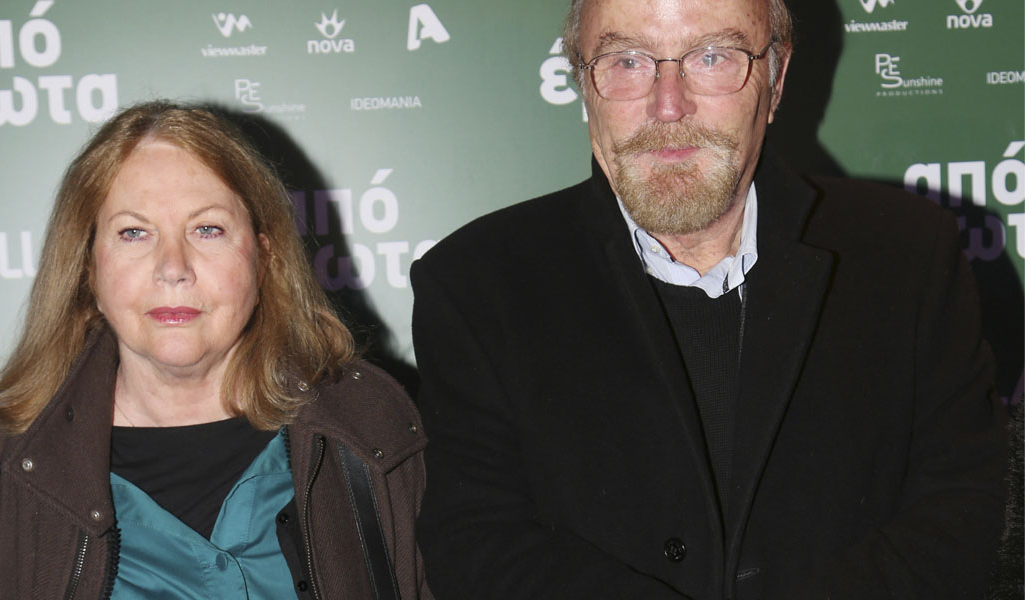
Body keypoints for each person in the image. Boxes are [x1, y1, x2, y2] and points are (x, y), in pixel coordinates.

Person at [410, 0, 1008, 598]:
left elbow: (962, 507)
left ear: (776, 78)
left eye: (713, 56)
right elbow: (477, 544)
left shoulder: (907, 255)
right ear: (583, 83)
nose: (669, 104)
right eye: (627, 61)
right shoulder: (475, 285)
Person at [0, 101, 432, 600]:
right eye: (134, 233)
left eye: (208, 228)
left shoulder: (377, 437)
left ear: (264, 257)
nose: (173, 267)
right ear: (88, 269)